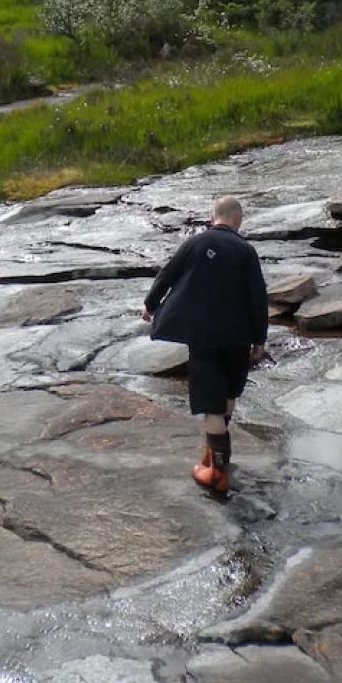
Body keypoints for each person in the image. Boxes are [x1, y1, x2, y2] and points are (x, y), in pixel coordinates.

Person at [142, 195, 268, 494]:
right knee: (227, 395)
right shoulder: (246, 250)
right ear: (237, 221)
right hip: (238, 338)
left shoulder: (196, 243)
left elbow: (167, 275)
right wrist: (260, 339)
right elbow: (258, 298)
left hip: (205, 338)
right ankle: (215, 453)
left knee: (211, 406)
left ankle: (217, 473)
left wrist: (150, 305)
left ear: (213, 218)